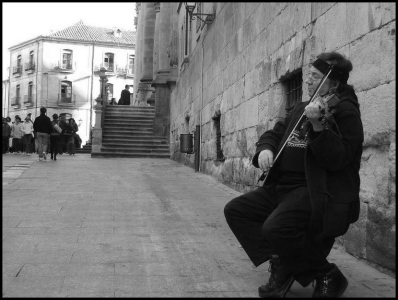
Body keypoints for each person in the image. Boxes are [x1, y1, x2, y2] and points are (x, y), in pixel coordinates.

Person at [224, 52, 364, 298]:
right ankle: (285, 260)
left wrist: (319, 127)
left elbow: (340, 159)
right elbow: (275, 133)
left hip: (313, 189)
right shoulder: (301, 108)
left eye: (315, 76)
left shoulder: (344, 111)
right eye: (308, 75)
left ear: (334, 83)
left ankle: (326, 273)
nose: (308, 81)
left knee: (276, 228)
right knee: (236, 210)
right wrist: (265, 149)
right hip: (281, 186)